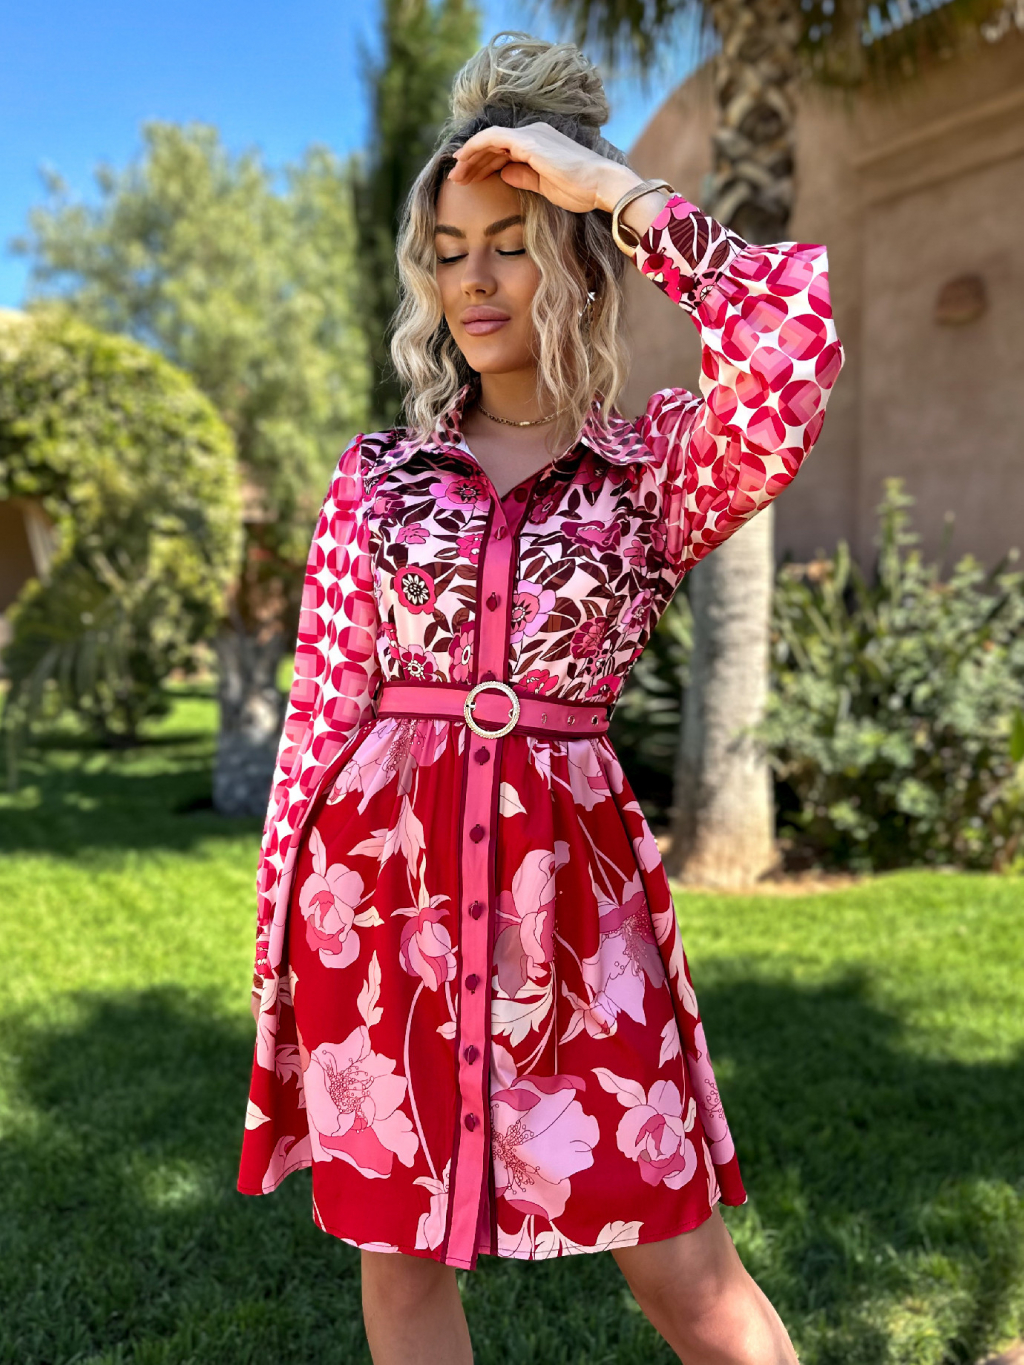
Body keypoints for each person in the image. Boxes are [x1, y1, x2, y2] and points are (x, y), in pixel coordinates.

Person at [238, 31, 843, 1365]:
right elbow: (323, 710)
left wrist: (617, 194)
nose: (473, 279)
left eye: (511, 242)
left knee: (685, 1267)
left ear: (575, 255)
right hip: (380, 903)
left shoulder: (656, 467)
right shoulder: (378, 476)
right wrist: (280, 946)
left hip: (576, 906)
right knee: (401, 1267)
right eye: (449, 250)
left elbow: (792, 347)